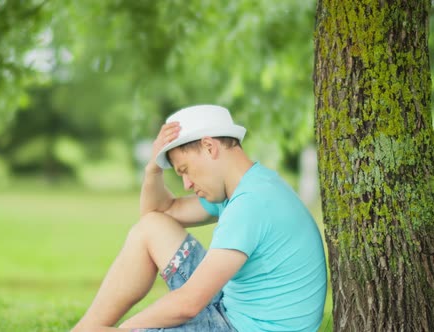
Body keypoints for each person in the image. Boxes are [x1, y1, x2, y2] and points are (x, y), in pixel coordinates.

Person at [72, 104, 327, 331]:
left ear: (209, 147)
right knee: (150, 228)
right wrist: (153, 168)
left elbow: (189, 303)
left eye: (185, 170)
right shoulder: (250, 186)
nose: (187, 184)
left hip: (236, 326)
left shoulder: (251, 204)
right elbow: (158, 213)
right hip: (231, 313)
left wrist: (129, 328)